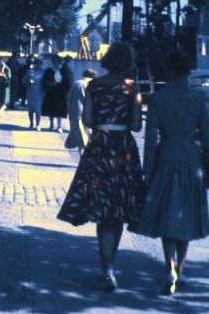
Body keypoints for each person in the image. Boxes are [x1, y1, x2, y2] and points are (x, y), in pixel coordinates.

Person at [57, 42, 145, 291]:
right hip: (122, 149)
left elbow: (87, 119)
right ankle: (110, 265)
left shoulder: (95, 85)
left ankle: (106, 265)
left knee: (101, 206)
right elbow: (137, 125)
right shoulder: (131, 88)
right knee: (117, 208)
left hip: (100, 146)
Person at [132, 49, 209, 295]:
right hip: (191, 159)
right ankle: (181, 265)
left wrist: (146, 171)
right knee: (185, 214)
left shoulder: (158, 99)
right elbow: (208, 138)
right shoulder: (198, 100)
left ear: (168, 70)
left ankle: (169, 266)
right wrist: (206, 158)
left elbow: (150, 139)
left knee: (168, 213)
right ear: (188, 72)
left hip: (166, 158)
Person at [65, 68, 96, 155]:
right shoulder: (93, 84)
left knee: (81, 139)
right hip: (89, 115)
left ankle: (82, 157)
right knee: (90, 137)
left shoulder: (76, 84)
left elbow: (69, 99)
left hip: (76, 114)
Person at [42, 56, 69, 131]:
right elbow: (44, 81)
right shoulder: (49, 71)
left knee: (59, 111)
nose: (56, 64)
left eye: (57, 62)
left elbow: (67, 82)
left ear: (60, 63)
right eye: (54, 62)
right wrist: (50, 84)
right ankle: (51, 125)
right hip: (51, 93)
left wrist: (60, 85)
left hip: (60, 94)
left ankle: (59, 126)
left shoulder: (64, 71)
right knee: (51, 110)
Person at [24, 57, 44, 129]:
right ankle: (31, 123)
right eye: (37, 63)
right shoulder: (30, 72)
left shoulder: (43, 72)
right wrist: (28, 82)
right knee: (31, 109)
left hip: (39, 93)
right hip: (30, 92)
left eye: (40, 64)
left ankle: (38, 125)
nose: (38, 65)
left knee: (38, 109)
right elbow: (24, 81)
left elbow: (45, 83)